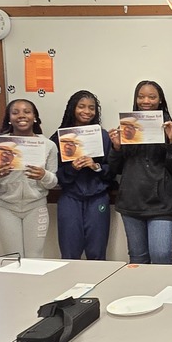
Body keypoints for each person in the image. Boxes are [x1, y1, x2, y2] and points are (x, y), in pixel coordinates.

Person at [107, 80, 172, 264]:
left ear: (160, 100)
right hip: (132, 201)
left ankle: (166, 293)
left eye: (151, 96)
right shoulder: (127, 127)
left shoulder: (171, 127)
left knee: (161, 255)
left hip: (162, 203)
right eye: (141, 96)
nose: (146, 101)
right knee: (137, 258)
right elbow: (114, 169)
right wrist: (116, 147)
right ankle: (142, 293)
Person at [0, 98, 58, 258]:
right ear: (9, 118)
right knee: (12, 257)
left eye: (27, 112)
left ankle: (33, 284)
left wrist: (43, 175)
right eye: (15, 112)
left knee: (35, 257)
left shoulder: (48, 145)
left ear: (35, 117)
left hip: (36, 206)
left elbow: (53, 182)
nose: (21, 116)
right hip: (6, 207)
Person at [50, 90, 112, 260]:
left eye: (91, 108)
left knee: (97, 252)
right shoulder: (59, 138)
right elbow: (54, 175)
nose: (87, 111)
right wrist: (72, 169)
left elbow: (112, 170)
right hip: (70, 198)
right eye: (82, 107)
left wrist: (96, 166)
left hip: (97, 197)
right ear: (72, 109)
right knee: (70, 252)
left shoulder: (103, 136)